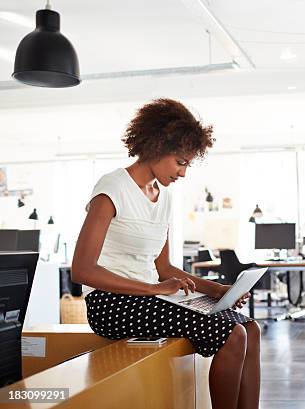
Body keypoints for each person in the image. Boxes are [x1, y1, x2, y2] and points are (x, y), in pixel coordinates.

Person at [71, 98, 260, 409]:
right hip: (109, 304)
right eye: (181, 162)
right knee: (232, 334)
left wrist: (220, 291)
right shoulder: (111, 189)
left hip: (151, 296)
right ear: (157, 146)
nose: (183, 173)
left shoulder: (165, 199)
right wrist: (154, 289)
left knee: (250, 328)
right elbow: (82, 271)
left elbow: (164, 267)